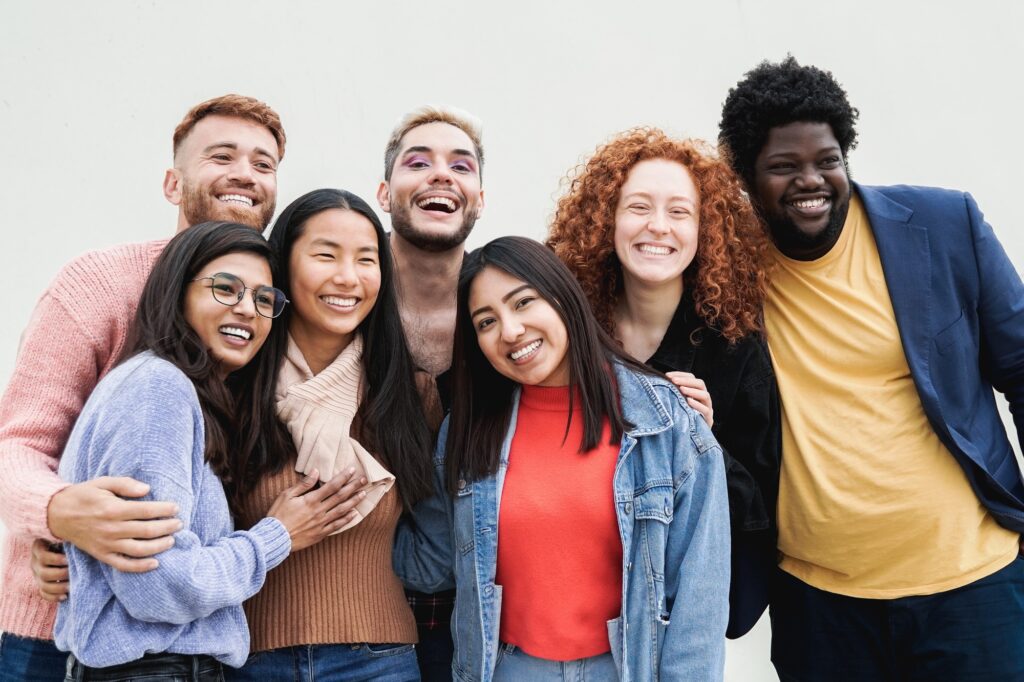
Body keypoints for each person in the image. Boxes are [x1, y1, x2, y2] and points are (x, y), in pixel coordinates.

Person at [718, 56, 1024, 680]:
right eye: (783, 167)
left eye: (826, 160)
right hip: (820, 605)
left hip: (975, 588)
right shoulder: (728, 274)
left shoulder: (943, 225)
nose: (811, 180)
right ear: (746, 178)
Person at [1, 93, 286, 681]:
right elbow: (17, 446)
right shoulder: (98, 285)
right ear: (171, 182)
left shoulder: (262, 308)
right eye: (222, 155)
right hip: (49, 624)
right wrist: (59, 515)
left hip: (186, 634)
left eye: (263, 164)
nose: (244, 174)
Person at [395, 237, 730, 681]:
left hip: (625, 669)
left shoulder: (664, 421)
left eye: (523, 302)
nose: (510, 331)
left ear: (562, 296)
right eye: (486, 322)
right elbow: (432, 563)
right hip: (506, 669)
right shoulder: (467, 432)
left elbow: (699, 597)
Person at [54, 222, 362, 679]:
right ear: (177, 293)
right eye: (225, 289)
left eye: (263, 299)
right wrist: (276, 535)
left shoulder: (185, 394)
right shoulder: (158, 389)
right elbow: (157, 585)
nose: (247, 310)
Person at [547, 128, 780, 638]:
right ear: (606, 220)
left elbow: (762, 510)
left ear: (705, 230)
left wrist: (703, 440)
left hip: (671, 619)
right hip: (567, 609)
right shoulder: (567, 330)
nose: (658, 227)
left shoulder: (735, 346)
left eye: (679, 212)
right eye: (638, 207)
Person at [224, 189, 437, 681]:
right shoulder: (231, 387)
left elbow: (440, 530)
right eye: (325, 255)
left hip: (379, 660)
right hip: (247, 662)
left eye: (366, 259)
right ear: (282, 267)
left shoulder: (409, 394)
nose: (348, 277)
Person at [376, 105, 486, 681]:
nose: (441, 174)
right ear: (384, 190)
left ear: (479, 198)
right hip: (353, 609)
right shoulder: (347, 299)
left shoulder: (507, 311)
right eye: (418, 163)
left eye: (460, 166)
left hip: (484, 609)